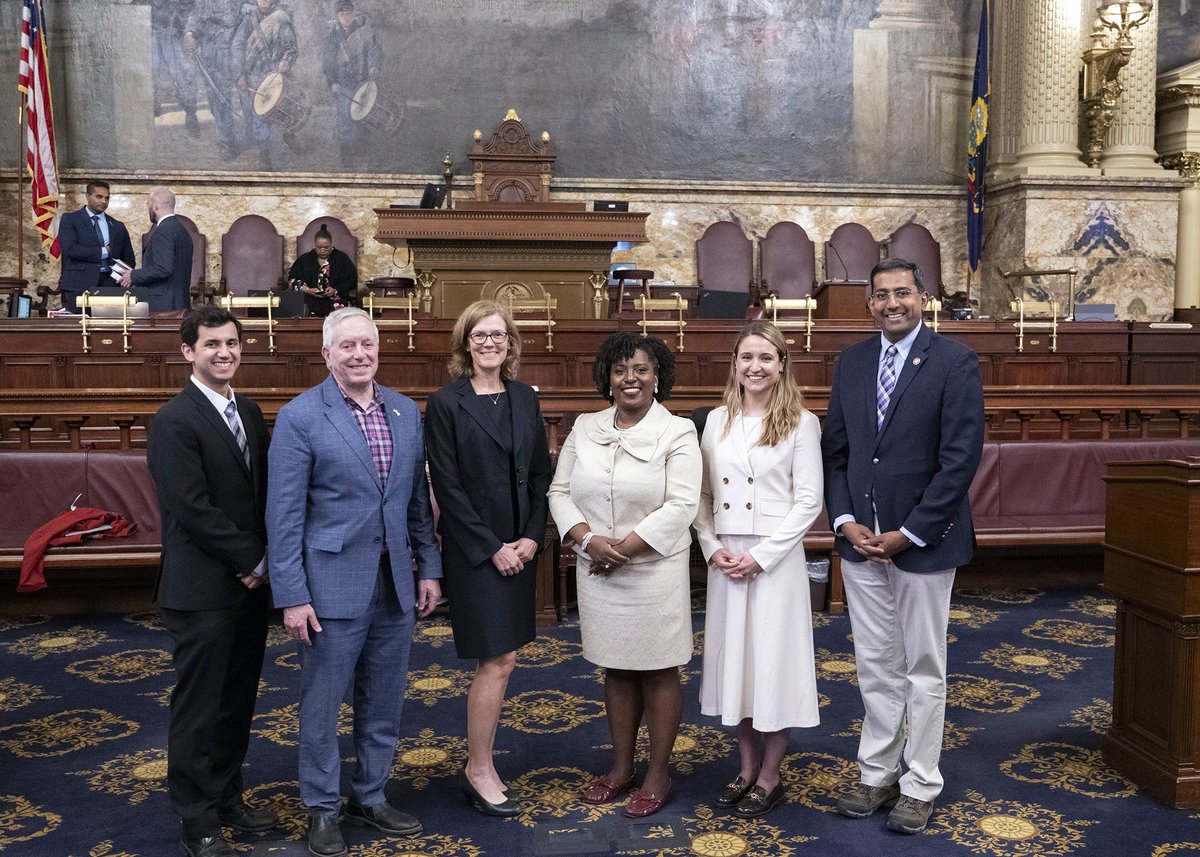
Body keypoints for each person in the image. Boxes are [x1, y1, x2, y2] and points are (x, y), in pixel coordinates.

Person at [267, 307, 442, 857]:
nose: (359, 354)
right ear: (327, 355)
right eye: (347, 346)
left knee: (384, 700)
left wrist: (429, 567)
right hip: (329, 587)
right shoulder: (300, 417)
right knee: (322, 705)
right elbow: (284, 517)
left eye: (367, 343)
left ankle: (370, 794)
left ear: (377, 348)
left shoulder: (406, 411)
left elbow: (416, 504)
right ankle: (322, 808)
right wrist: (292, 596)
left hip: (394, 583)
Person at [821, 258, 984, 835]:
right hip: (861, 543)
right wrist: (843, 521)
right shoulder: (853, 362)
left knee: (922, 666)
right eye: (881, 295)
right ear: (868, 303)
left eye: (903, 293)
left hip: (923, 543)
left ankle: (920, 782)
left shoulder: (954, 361)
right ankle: (877, 772)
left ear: (924, 297)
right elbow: (836, 452)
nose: (892, 303)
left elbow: (960, 460)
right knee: (875, 666)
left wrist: (908, 532)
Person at [548, 332, 700, 819]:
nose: (630, 378)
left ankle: (657, 771)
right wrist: (590, 541)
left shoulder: (677, 431)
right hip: (597, 565)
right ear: (607, 378)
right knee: (615, 666)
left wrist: (625, 549)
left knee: (658, 668)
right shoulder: (584, 426)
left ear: (657, 378)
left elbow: (681, 503)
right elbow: (559, 491)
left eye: (640, 369)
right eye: (620, 370)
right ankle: (620, 768)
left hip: (653, 567)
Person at [147, 306, 276, 857]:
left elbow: (261, 494)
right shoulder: (174, 419)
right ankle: (196, 819)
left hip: (249, 588)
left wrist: (264, 564)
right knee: (198, 708)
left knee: (237, 700)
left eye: (231, 343)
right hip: (201, 589)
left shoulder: (247, 410)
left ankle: (227, 798)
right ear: (188, 352)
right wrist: (254, 559)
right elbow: (191, 508)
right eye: (212, 345)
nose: (224, 353)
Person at [424, 300, 552, 817]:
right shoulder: (446, 403)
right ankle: (478, 767)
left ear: (511, 343)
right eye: (479, 335)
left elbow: (541, 475)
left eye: (498, 335)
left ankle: (483, 762)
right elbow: (447, 488)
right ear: (465, 343)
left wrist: (530, 537)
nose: (489, 343)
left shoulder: (524, 397)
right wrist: (492, 547)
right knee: (495, 660)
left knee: (505, 658)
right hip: (477, 552)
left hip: (518, 548)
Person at [693, 320, 823, 818]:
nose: (756, 366)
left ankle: (771, 775)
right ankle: (745, 769)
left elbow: (808, 501)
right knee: (737, 668)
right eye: (747, 357)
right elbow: (701, 496)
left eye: (766, 358)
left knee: (772, 664)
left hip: (773, 562)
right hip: (727, 558)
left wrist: (761, 555)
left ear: (782, 364)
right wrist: (711, 547)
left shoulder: (800, 422)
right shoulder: (716, 420)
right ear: (735, 363)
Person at [233, 0, 299, 168]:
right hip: (255, 74)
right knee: (258, 113)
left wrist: (286, 62)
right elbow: (237, 46)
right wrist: (240, 73)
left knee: (287, 106)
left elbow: (291, 46)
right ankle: (264, 152)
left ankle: (289, 134)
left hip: (276, 73)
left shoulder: (280, 18)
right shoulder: (248, 19)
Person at [58, 180, 136, 313]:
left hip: (110, 285)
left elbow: (129, 258)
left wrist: (122, 277)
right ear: (87, 196)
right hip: (79, 285)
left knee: (109, 328)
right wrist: (102, 252)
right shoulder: (70, 219)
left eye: (107, 198)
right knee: (79, 328)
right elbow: (69, 249)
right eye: (99, 197)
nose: (104, 201)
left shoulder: (117, 226)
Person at [118, 187, 193, 312]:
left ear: (155, 206)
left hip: (163, 304)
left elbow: (163, 268)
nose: (148, 209)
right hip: (180, 301)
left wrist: (133, 275)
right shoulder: (181, 230)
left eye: (148, 204)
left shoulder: (163, 231)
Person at [322, 0, 380, 161]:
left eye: (348, 13)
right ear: (337, 17)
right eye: (342, 14)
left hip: (363, 81)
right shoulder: (332, 37)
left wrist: (374, 66)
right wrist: (333, 82)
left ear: (353, 14)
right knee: (345, 117)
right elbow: (328, 62)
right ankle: (346, 152)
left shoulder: (364, 32)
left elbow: (374, 50)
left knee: (364, 113)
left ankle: (363, 149)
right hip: (343, 84)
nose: (346, 17)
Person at [183, 0, 242, 157]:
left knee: (222, 97)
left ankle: (227, 142)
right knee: (214, 100)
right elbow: (196, 14)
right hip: (208, 52)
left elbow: (244, 13)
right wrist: (189, 32)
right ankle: (226, 137)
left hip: (229, 51)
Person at [287, 224, 357, 317]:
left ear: (332, 244)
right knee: (298, 307)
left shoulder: (341, 259)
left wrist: (335, 290)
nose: (323, 251)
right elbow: (292, 280)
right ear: (314, 245)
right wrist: (308, 290)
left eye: (326, 247)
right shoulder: (304, 259)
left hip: (335, 299)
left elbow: (352, 280)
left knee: (345, 313)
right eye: (319, 248)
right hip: (310, 299)